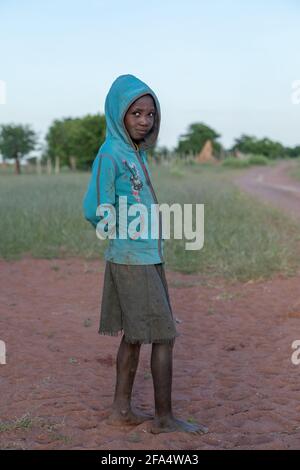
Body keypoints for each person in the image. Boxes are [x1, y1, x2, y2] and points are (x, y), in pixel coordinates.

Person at [83, 74, 208, 434]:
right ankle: (165, 418)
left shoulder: (134, 153)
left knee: (136, 335)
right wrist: (123, 229)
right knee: (164, 335)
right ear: (118, 114)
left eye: (150, 114)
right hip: (131, 258)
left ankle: (121, 410)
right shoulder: (110, 153)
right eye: (135, 112)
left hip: (146, 257)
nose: (144, 120)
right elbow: (96, 207)